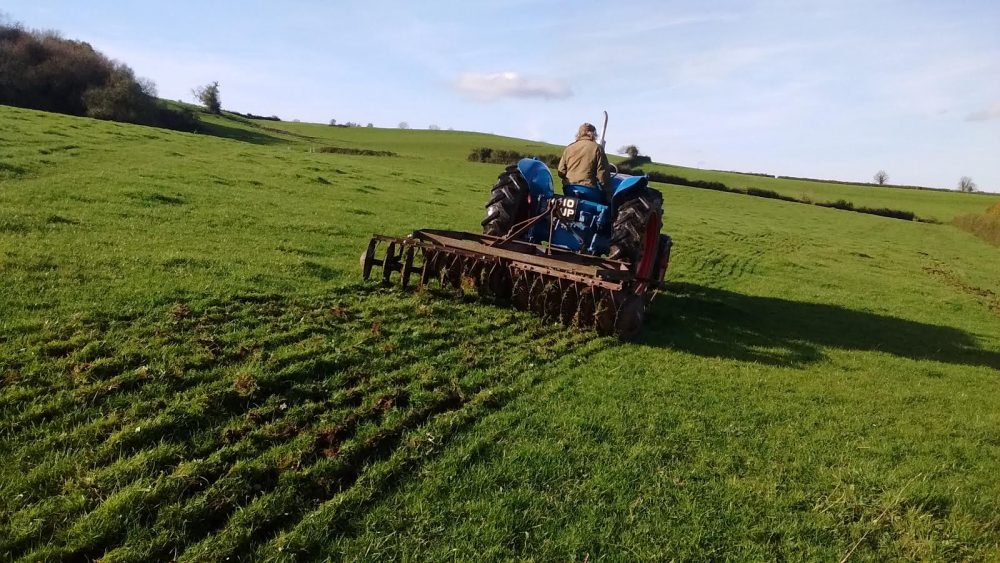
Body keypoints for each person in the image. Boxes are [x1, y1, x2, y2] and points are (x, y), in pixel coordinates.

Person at [557, 122, 613, 202]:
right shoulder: (597, 148)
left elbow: (561, 172)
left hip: (569, 188)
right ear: (593, 134)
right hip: (589, 190)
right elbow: (602, 174)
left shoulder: (569, 148)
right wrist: (608, 192)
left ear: (579, 134)